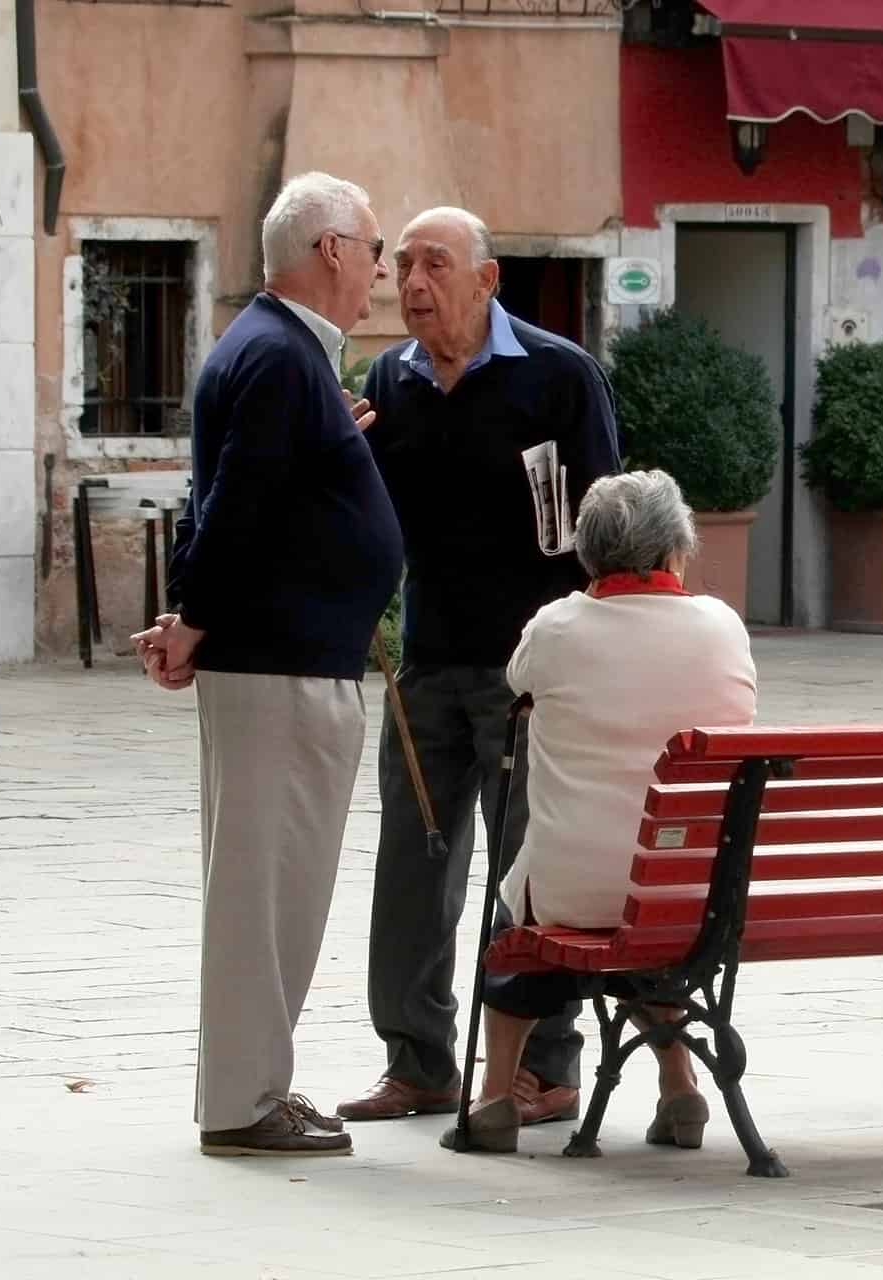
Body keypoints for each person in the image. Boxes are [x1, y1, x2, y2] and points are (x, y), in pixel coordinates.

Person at [131, 172, 400, 1156]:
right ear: (331, 249)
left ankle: (257, 1086)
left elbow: (241, 491)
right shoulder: (282, 357)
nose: (380, 268)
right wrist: (194, 618)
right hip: (280, 663)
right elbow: (236, 506)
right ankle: (244, 1102)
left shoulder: (280, 357)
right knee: (263, 891)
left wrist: (335, 438)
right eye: (374, 248)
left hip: (293, 656)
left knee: (277, 888)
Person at [337, 207, 620, 1127]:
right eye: (404, 267)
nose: (413, 285)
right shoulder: (392, 378)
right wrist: (341, 450)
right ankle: (418, 1061)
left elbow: (605, 532)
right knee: (414, 865)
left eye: (435, 266)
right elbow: (372, 512)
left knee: (528, 870)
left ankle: (546, 1067)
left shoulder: (560, 376)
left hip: (530, 674)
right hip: (427, 662)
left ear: (486, 280)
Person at [441, 470, 757, 1152]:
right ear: (678, 549)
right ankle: (680, 1086)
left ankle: (496, 1096)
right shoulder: (723, 627)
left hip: (574, 887)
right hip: (697, 888)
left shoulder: (555, 629)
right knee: (651, 910)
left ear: (588, 553)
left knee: (521, 912)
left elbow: (518, 683)